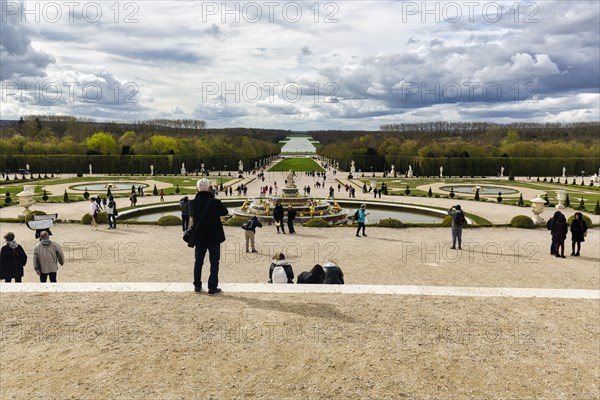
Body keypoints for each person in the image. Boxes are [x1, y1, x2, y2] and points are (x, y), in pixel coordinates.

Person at [190, 178, 229, 294]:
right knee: (214, 262)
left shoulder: (192, 203)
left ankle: (197, 285)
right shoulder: (214, 202)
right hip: (213, 237)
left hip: (200, 237)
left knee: (198, 262)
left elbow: (192, 215)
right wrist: (214, 198)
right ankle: (212, 287)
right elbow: (225, 212)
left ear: (197, 188)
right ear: (209, 188)